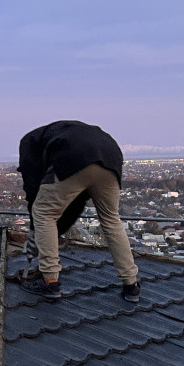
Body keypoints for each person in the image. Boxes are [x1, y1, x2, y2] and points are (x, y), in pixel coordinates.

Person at [17, 120, 140, 301]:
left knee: (44, 213)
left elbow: (33, 186)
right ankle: (131, 284)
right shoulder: (63, 132)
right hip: (110, 157)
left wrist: (35, 230)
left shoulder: (28, 142)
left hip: (75, 156)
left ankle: (49, 281)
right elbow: (76, 201)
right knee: (111, 220)